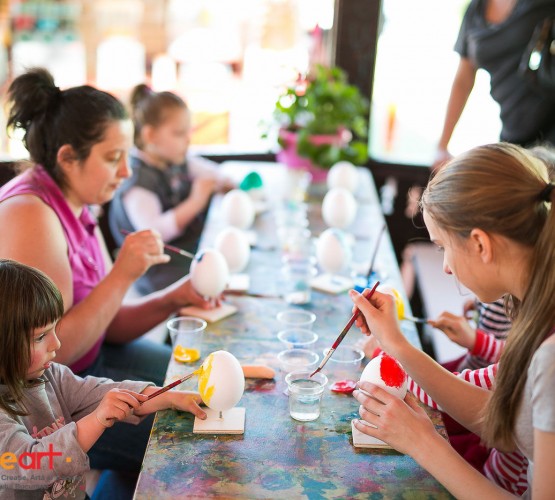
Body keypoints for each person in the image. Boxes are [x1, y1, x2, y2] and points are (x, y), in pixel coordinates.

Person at [0, 68, 214, 481]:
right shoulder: (31, 213)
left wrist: (176, 295)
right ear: (68, 157)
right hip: (46, 390)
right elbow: (53, 350)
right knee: (185, 438)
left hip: (85, 366)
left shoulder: (77, 200)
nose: (126, 171)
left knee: (195, 385)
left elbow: (106, 323)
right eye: (114, 158)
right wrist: (122, 275)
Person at [350, 143, 555, 498]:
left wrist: (423, 443)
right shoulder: (536, 310)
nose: (445, 267)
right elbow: (508, 419)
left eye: (443, 247)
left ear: (480, 244)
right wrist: (396, 345)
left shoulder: (549, 356)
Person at [0, 259, 207, 499]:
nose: (56, 344)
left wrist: (170, 397)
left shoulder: (50, 374)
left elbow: (101, 392)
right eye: (40, 337)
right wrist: (97, 419)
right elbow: (30, 464)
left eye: (54, 329)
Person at [108, 83, 235, 294]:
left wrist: (223, 182)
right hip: (160, 273)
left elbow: (214, 173)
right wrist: (196, 201)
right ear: (150, 135)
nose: (188, 140)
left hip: (186, 254)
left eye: (188, 132)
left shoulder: (173, 158)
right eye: (179, 133)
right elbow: (155, 232)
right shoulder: (137, 182)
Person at [433, 0, 555, 170]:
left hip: (549, 125)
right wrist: (442, 146)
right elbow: (463, 80)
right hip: (513, 130)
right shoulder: (475, 10)